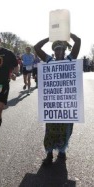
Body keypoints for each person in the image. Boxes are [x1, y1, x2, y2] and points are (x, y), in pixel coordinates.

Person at [34, 33, 81, 165]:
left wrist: (66, 33)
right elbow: (37, 47)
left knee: (66, 128)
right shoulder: (49, 61)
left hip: (67, 103)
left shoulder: (70, 60)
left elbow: (78, 41)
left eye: (61, 49)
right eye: (56, 49)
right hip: (52, 103)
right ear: (53, 51)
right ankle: (49, 153)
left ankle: (62, 151)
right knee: (50, 128)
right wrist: (50, 38)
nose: (59, 51)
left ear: (65, 50)